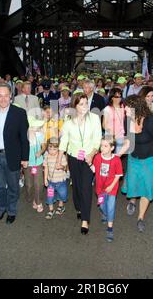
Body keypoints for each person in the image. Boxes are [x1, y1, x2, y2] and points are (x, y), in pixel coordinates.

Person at [0, 84, 29, 225]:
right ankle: (2, 206)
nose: (3, 99)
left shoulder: (19, 113)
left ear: (10, 96)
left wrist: (25, 158)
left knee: (13, 186)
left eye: (5, 95)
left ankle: (12, 210)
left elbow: (24, 138)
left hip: (12, 156)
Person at [120, 95, 153, 233]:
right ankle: (133, 201)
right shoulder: (127, 121)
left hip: (150, 160)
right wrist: (116, 156)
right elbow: (128, 142)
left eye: (127, 108)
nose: (124, 110)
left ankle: (140, 217)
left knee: (146, 187)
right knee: (133, 184)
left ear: (136, 108)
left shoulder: (151, 121)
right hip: (134, 159)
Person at [57, 93, 102, 234]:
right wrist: (59, 159)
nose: (85, 106)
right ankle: (78, 207)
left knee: (86, 187)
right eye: (81, 104)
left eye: (86, 103)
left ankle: (85, 219)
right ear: (75, 106)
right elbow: (64, 141)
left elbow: (98, 138)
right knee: (76, 186)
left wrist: (92, 153)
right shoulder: (68, 121)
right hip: (73, 157)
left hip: (89, 157)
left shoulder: (94, 118)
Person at [91, 137, 123, 242]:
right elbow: (94, 170)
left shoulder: (116, 160)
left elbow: (118, 175)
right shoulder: (97, 157)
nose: (102, 148)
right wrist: (89, 163)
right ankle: (104, 214)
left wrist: (112, 186)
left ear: (112, 148)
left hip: (112, 188)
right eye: (101, 145)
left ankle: (110, 228)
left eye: (105, 146)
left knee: (110, 207)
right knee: (102, 206)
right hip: (100, 188)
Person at [24, 116, 46, 213]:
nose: (36, 129)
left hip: (38, 163)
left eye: (38, 127)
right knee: (29, 185)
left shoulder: (40, 135)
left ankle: (38, 201)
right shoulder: (24, 136)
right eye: (34, 127)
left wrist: (41, 151)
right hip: (28, 164)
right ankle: (30, 196)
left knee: (39, 184)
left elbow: (44, 146)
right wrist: (22, 160)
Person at [44, 139, 68, 219]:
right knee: (50, 196)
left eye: (54, 149)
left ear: (58, 149)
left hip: (61, 181)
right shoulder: (47, 156)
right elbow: (46, 168)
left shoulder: (62, 156)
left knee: (62, 194)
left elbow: (66, 168)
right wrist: (45, 179)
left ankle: (61, 206)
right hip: (51, 182)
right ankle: (51, 210)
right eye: (50, 148)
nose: (52, 151)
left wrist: (61, 166)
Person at [103, 88, 126, 154]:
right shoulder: (107, 109)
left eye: (120, 96)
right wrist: (112, 134)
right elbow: (104, 125)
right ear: (112, 97)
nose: (119, 98)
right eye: (116, 96)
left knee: (118, 156)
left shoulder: (123, 107)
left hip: (121, 135)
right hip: (110, 136)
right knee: (108, 155)